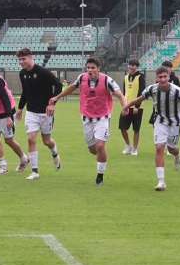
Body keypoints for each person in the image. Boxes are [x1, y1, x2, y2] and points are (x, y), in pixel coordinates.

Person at [49, 58, 127, 186]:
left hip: (102, 118)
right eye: (88, 68)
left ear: (98, 68)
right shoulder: (82, 78)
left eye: (93, 68)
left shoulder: (107, 80)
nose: (90, 70)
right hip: (87, 118)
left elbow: (119, 94)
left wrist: (124, 106)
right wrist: (57, 97)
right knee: (93, 149)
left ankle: (100, 176)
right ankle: (102, 156)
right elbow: (71, 88)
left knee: (100, 146)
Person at [125, 66, 180, 191]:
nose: (163, 79)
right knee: (159, 148)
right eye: (160, 77)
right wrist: (126, 106)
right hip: (160, 121)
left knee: (171, 148)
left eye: (165, 76)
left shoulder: (177, 91)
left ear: (169, 77)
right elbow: (140, 99)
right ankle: (161, 182)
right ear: (156, 78)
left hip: (175, 122)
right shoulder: (152, 89)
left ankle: (178, 154)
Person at [15, 48, 62, 181]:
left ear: (31, 57)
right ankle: (35, 171)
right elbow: (25, 92)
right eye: (19, 59)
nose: (21, 62)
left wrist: (52, 103)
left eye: (23, 59)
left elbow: (58, 86)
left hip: (46, 113)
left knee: (47, 141)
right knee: (31, 139)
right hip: (31, 112)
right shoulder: (22, 74)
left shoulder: (43, 72)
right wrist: (20, 108)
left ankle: (55, 153)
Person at [119, 59, 145, 156]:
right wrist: (124, 105)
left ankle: (135, 148)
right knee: (122, 127)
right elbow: (124, 93)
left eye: (134, 65)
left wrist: (137, 106)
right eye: (130, 65)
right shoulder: (126, 77)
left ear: (137, 67)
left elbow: (142, 92)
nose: (131, 67)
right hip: (126, 106)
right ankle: (128, 146)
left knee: (136, 129)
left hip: (137, 108)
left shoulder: (140, 77)